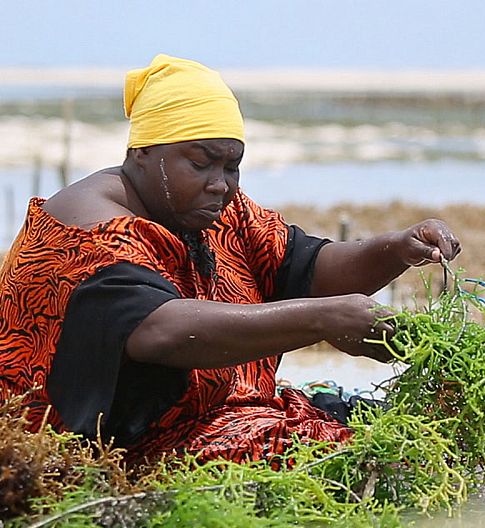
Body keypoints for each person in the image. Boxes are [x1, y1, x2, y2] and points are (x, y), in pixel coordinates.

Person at [0, 55, 461, 464]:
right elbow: (162, 332)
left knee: (421, 434)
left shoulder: (212, 210)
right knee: (360, 460)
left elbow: (309, 269)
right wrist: (322, 320)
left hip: (216, 420)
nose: (220, 183)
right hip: (113, 450)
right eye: (200, 163)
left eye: (231, 166)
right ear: (141, 152)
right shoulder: (89, 227)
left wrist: (398, 247)